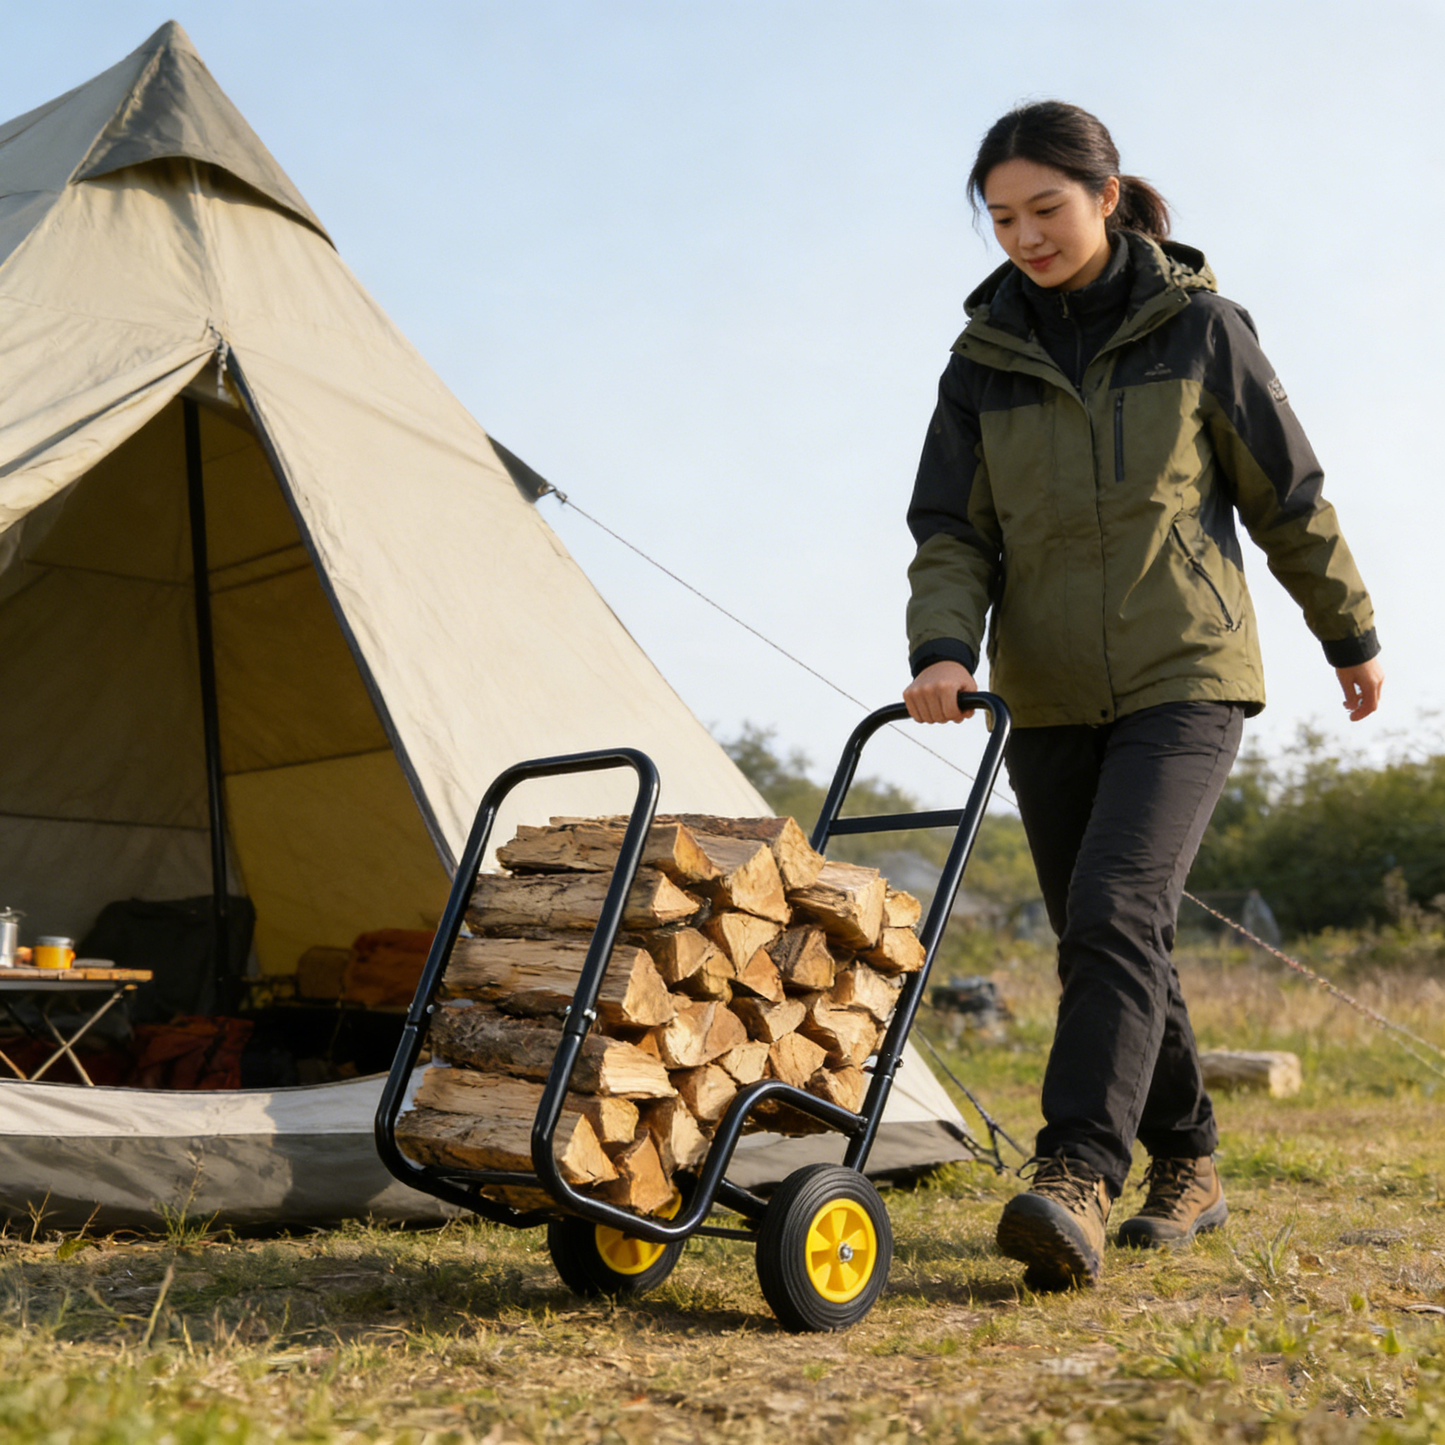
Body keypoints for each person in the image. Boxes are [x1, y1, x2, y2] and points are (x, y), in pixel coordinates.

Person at [902, 101, 1382, 1291]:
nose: (1023, 236)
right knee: (1104, 927)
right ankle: (1192, 1157)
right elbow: (952, 530)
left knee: (1117, 904)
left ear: (1105, 195)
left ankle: (1074, 1171)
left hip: (1186, 672)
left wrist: (1347, 630)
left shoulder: (1201, 331)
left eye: (1044, 210)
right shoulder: (979, 363)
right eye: (1000, 219)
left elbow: (1286, 494)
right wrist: (943, 646)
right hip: (1048, 688)